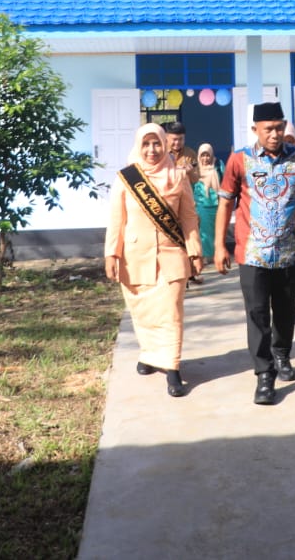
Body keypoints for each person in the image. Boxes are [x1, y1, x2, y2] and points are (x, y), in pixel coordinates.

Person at [215, 101, 295, 405]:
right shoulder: (239, 160)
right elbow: (225, 203)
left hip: (290, 251)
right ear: (256, 129)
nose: (275, 135)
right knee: (257, 314)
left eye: (279, 128)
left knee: (286, 309)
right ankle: (264, 375)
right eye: (268, 129)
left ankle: (282, 354)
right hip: (252, 253)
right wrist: (219, 246)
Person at [104, 123, 203, 397]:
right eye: (146, 144)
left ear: (165, 144)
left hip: (172, 257)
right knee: (144, 313)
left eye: (157, 143)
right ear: (139, 146)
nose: (152, 149)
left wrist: (195, 251)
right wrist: (111, 254)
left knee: (171, 313)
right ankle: (149, 354)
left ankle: (172, 368)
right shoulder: (126, 179)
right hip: (134, 258)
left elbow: (189, 218)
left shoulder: (178, 176)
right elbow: (116, 221)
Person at [191, 142, 222, 276]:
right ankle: (204, 256)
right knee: (203, 232)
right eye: (203, 155)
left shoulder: (218, 166)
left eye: (207, 155)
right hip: (202, 205)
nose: (205, 158)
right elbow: (191, 187)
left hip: (217, 204)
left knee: (216, 231)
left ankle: (216, 254)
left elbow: (224, 182)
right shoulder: (195, 170)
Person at [162, 120, 198, 186]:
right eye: (174, 139)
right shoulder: (161, 153)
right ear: (166, 138)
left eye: (181, 139)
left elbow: (197, 180)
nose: (177, 142)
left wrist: (190, 172)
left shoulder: (190, 154)